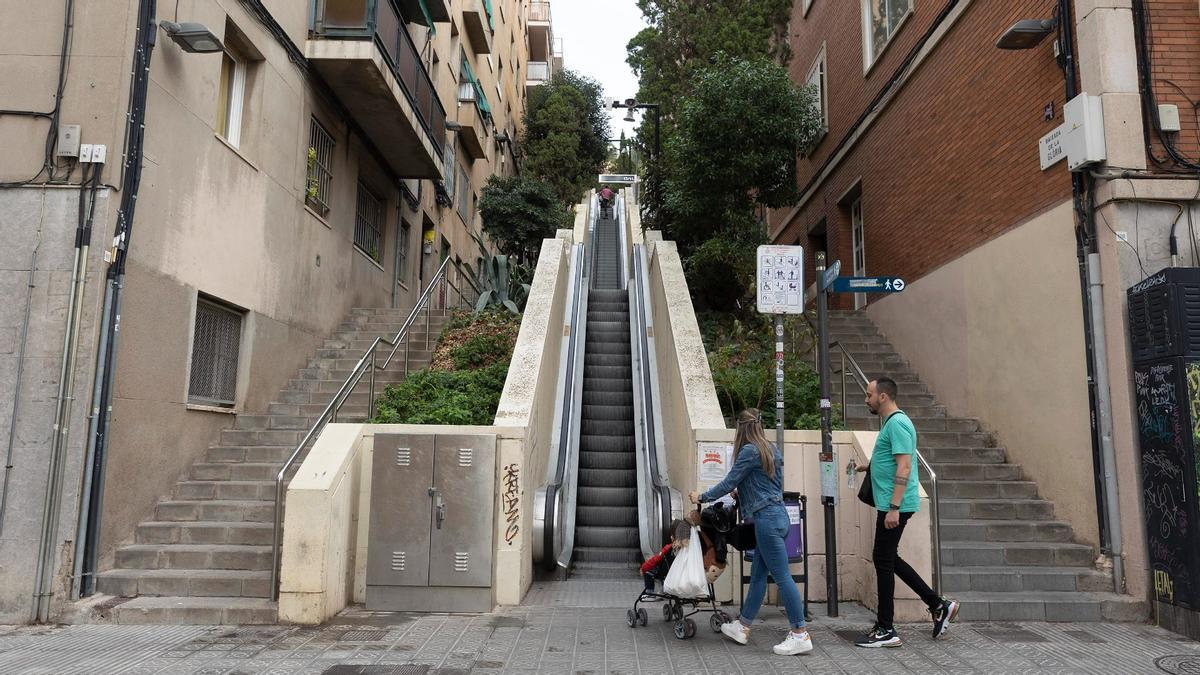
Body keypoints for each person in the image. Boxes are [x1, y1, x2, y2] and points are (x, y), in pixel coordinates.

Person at [688, 408, 813, 657]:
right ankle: (742, 626)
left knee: (782, 577)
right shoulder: (771, 449)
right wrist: (742, 492)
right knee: (758, 576)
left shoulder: (748, 450)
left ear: (741, 428)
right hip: (778, 517)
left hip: (766, 521)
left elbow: (729, 481)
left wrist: (701, 496)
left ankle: (800, 634)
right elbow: (767, 485)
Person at [854, 377, 960, 648]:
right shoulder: (892, 423)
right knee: (888, 558)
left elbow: (904, 467)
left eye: (869, 395)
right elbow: (893, 459)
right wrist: (871, 468)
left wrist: (894, 508)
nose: (866, 400)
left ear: (883, 397)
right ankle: (938, 605)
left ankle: (887, 629)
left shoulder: (898, 423)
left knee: (883, 559)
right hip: (892, 502)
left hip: (895, 505)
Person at [640, 519, 688, 600]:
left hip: (667, 572)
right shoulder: (687, 549)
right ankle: (665, 590)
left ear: (672, 537)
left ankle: (650, 593)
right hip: (681, 573)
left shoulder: (668, 548)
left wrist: (643, 567)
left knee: (649, 571)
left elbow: (655, 560)